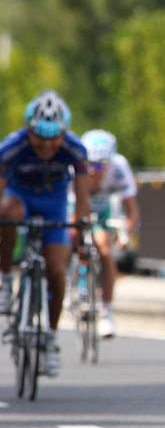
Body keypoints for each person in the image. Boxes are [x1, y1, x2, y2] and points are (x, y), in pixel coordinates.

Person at [0, 89, 90, 377]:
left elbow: (83, 197)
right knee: (6, 215)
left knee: (56, 270)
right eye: (40, 136)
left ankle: (50, 339)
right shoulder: (11, 147)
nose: (47, 144)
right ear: (29, 130)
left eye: (54, 136)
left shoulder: (76, 150)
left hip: (54, 205)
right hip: (19, 197)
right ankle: (4, 280)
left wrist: (83, 227)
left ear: (64, 133)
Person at [69, 129, 139, 338]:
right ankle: (67, 281)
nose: (93, 171)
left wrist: (124, 233)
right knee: (70, 238)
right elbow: (68, 208)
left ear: (110, 163)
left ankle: (107, 311)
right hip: (76, 206)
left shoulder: (119, 168)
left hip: (103, 211)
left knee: (105, 250)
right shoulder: (74, 169)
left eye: (99, 166)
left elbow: (132, 210)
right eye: (89, 165)